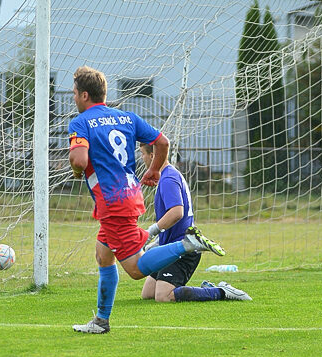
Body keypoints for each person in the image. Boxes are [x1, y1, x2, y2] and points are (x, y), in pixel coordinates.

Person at [68, 66, 226, 334]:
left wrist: (76, 168)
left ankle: (187, 244)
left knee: (136, 269)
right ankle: (101, 321)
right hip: (130, 194)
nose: (73, 98)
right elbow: (162, 142)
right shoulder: (127, 118)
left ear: (84, 95)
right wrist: (154, 168)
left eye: (74, 93)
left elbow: (79, 160)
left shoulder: (80, 123)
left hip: (113, 203)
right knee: (103, 255)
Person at [138, 143, 251, 302]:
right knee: (148, 294)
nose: (141, 158)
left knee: (163, 296)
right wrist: (157, 242)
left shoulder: (168, 178)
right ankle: (209, 288)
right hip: (169, 248)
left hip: (184, 249)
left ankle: (221, 291)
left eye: (142, 153)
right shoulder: (168, 175)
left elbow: (177, 212)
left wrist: (151, 231)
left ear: (152, 155)